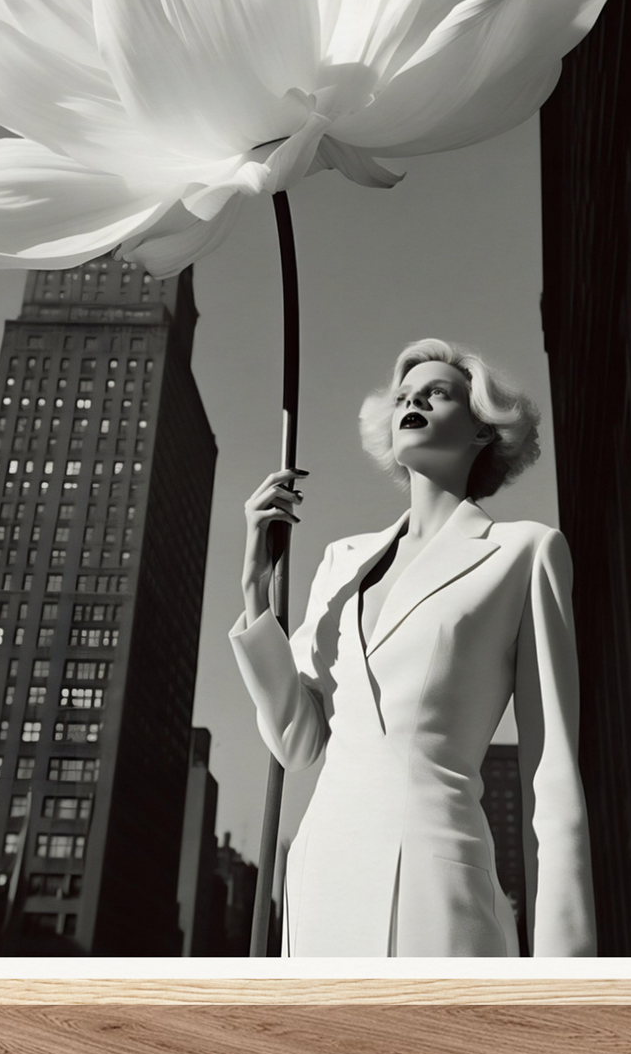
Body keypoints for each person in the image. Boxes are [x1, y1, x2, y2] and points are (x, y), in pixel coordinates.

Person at [230, 339, 598, 957]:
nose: (414, 402)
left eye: (436, 393)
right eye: (403, 396)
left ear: (482, 430)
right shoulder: (340, 562)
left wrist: (568, 971)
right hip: (321, 884)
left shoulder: (526, 551)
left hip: (438, 889)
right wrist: (255, 595)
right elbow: (298, 744)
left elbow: (552, 775)